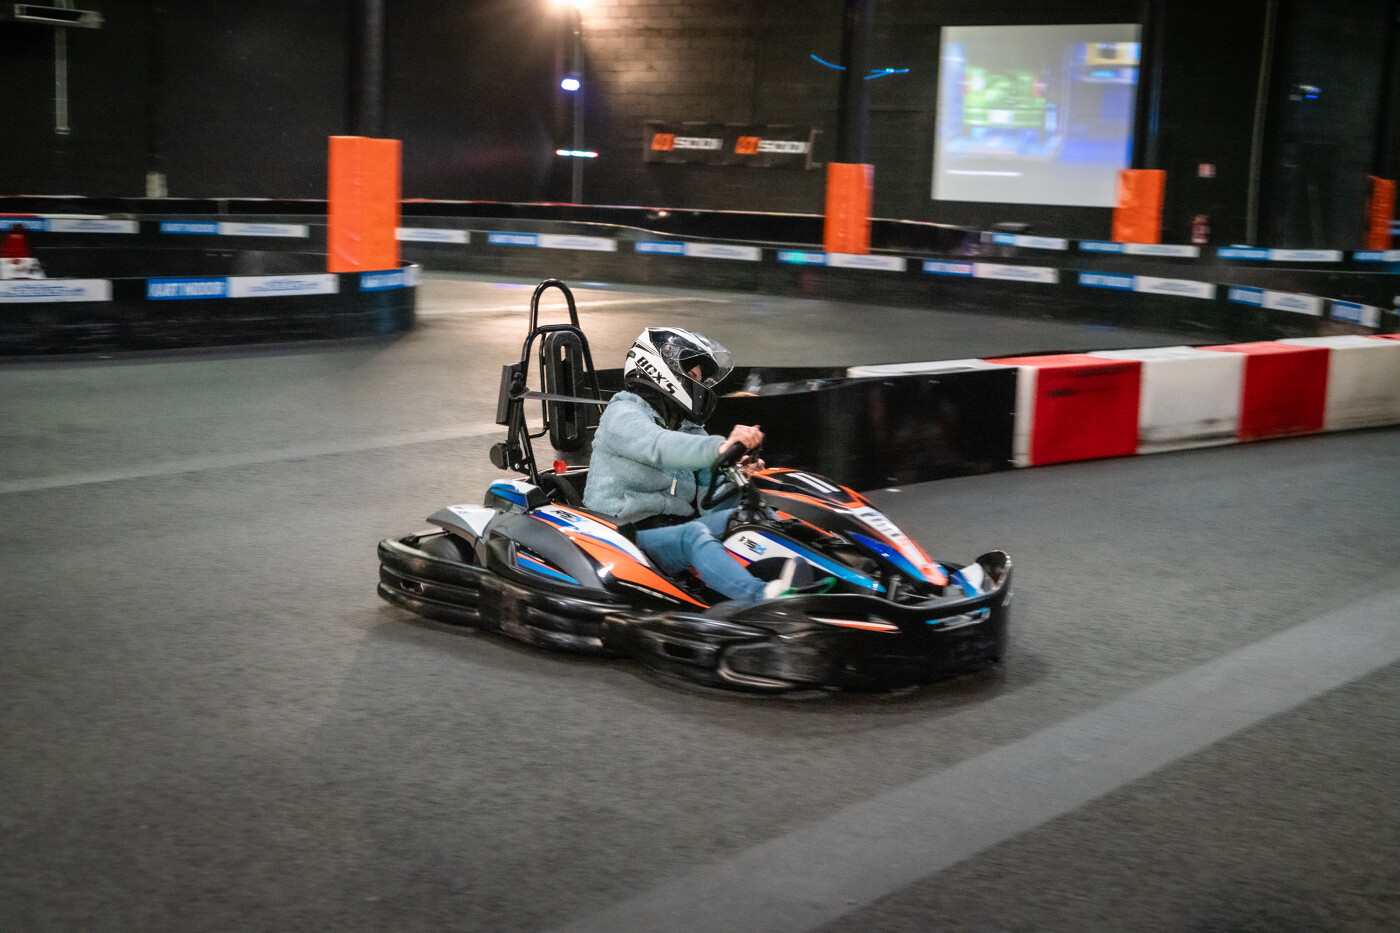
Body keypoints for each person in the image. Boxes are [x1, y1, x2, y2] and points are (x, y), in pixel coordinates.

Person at [583, 326, 796, 602]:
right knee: (693, 536)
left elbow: (708, 506)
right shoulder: (622, 413)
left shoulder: (690, 431)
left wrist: (735, 478)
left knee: (750, 515)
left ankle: (824, 569)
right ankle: (763, 598)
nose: (701, 386)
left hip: (676, 528)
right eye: (694, 377)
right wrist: (719, 447)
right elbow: (657, 446)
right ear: (658, 367)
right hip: (624, 536)